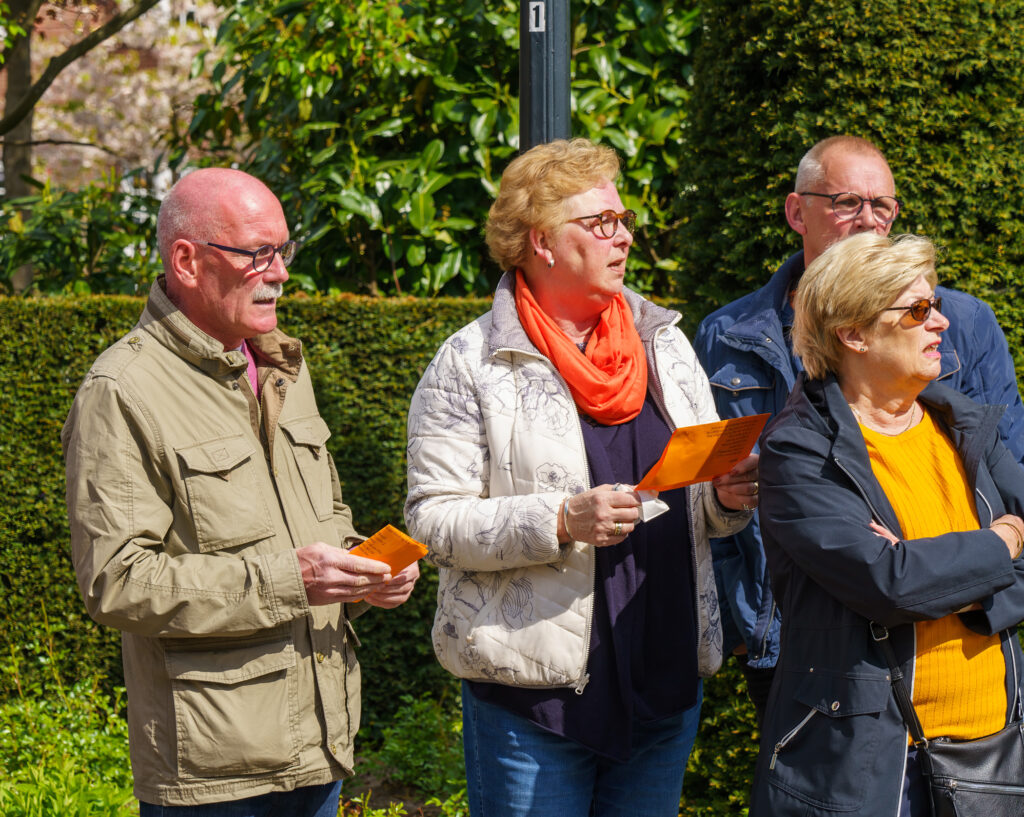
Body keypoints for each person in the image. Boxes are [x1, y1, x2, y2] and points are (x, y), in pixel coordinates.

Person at [403, 138, 758, 817]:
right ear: (540, 241)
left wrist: (723, 497)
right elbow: (433, 521)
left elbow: (691, 499)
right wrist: (560, 519)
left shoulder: (665, 343)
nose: (622, 235)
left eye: (623, 220)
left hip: (663, 679)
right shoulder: (471, 361)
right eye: (600, 222)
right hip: (537, 703)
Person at [62, 168, 419, 815]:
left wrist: (362, 568)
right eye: (259, 253)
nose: (280, 272)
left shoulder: (284, 365)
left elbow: (322, 518)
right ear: (188, 261)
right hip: (214, 775)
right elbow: (115, 580)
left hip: (322, 745)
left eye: (283, 250)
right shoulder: (122, 390)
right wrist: (290, 579)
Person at [693, 135, 1024, 723]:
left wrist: (953, 580)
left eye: (884, 206)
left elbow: (1006, 483)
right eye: (847, 202)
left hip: (957, 638)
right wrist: (739, 614)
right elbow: (698, 486)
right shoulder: (731, 332)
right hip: (788, 631)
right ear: (797, 211)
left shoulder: (962, 324)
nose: (869, 220)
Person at [750, 231, 1024, 816]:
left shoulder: (961, 423)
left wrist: (960, 580)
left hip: (995, 749)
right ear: (853, 334)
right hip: (870, 765)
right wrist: (1001, 541)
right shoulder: (800, 450)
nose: (941, 324)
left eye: (937, 306)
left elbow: (912, 574)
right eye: (917, 310)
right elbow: (888, 584)